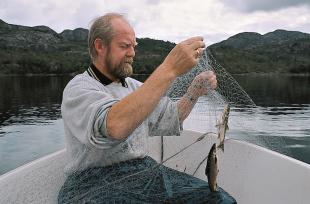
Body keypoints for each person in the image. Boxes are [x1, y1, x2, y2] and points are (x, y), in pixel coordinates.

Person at [58, 13, 236, 204]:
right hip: (91, 183)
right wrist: (170, 68)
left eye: (134, 47)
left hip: (144, 171)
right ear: (100, 46)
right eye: (124, 46)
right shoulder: (79, 88)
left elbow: (170, 118)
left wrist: (194, 91)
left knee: (220, 200)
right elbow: (113, 127)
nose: (132, 53)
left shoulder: (136, 88)